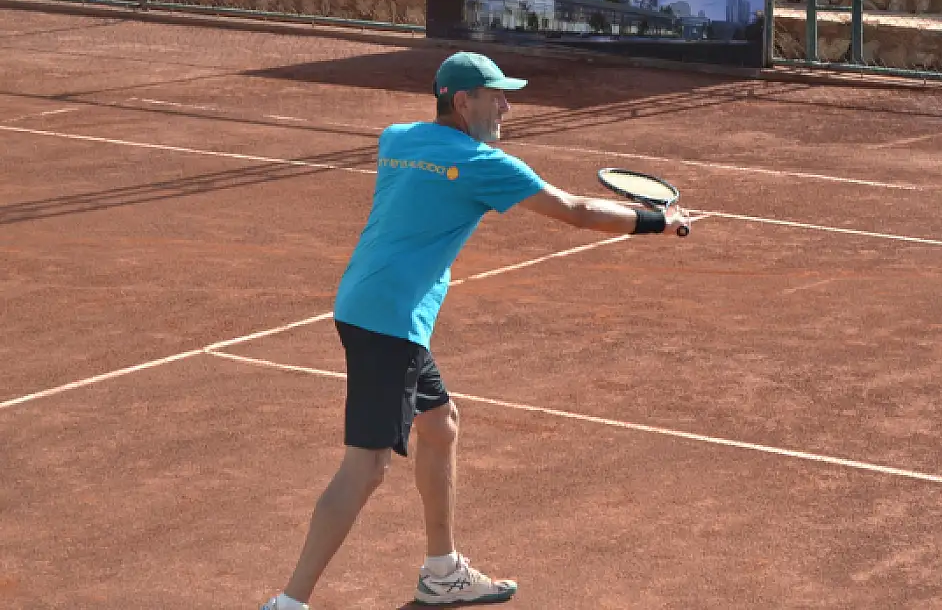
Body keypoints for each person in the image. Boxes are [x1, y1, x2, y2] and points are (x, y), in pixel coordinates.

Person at [260, 51, 690, 610]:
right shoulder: (486, 164)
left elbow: (429, 180)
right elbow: (577, 211)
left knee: (440, 425)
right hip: (391, 320)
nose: (506, 107)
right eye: (496, 96)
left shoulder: (397, 139)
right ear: (463, 101)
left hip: (365, 301)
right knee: (366, 467)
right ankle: (289, 603)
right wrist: (658, 221)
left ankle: (441, 573)